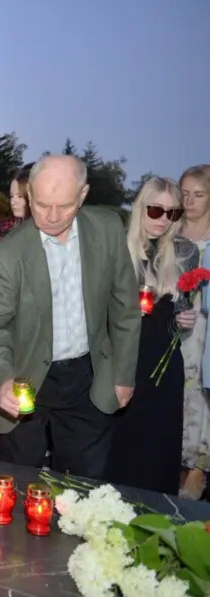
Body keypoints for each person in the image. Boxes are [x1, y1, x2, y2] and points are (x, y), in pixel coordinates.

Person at [0, 155, 140, 479]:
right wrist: (3, 379)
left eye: (63, 206)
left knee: (85, 488)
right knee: (19, 485)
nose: (51, 216)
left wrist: (123, 374)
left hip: (89, 377)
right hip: (26, 378)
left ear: (82, 195)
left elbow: (125, 307)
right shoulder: (7, 254)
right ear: (28, 196)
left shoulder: (106, 229)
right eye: (41, 204)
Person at [106, 177, 196, 494]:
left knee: (158, 445)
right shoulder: (117, 246)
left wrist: (185, 320)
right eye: (156, 210)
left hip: (163, 361)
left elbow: (181, 311)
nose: (163, 220)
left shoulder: (184, 252)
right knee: (121, 443)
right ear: (141, 207)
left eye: (172, 213)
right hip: (123, 357)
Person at [181, 164, 210, 498]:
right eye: (185, 193)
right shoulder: (171, 231)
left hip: (205, 326)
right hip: (176, 323)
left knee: (201, 389)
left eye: (198, 195)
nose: (189, 201)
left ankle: (198, 466)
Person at [0, 164, 33, 243]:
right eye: (12, 196)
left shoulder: (47, 230)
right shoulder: (4, 228)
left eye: (19, 196)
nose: (13, 202)